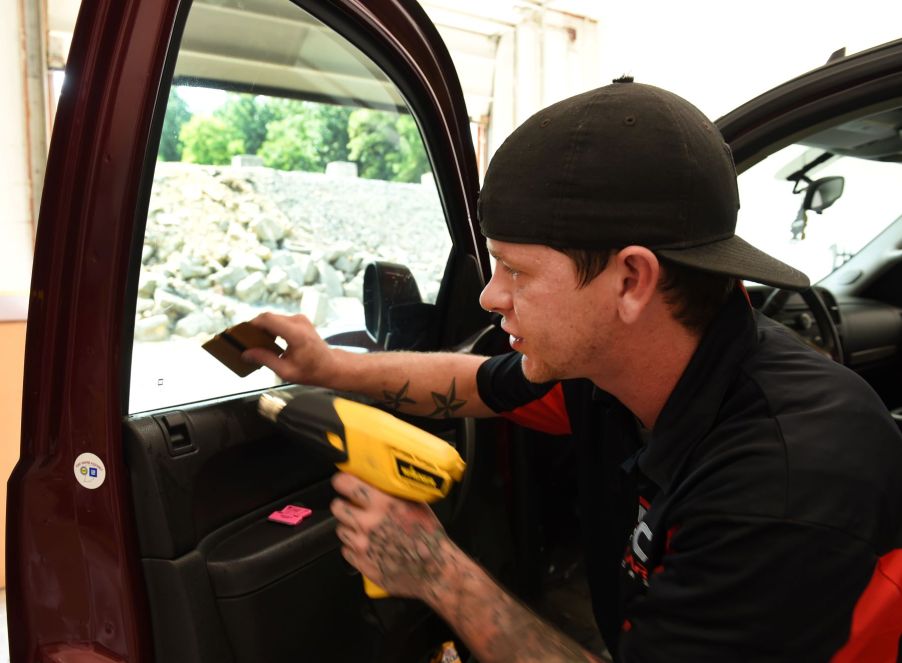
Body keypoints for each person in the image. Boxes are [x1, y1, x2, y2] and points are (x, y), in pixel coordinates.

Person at [244, 80, 902, 662]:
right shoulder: (612, 366)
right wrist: (327, 364)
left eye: (517, 271)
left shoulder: (781, 486)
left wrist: (440, 573)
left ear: (631, 279)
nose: (490, 297)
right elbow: (474, 383)